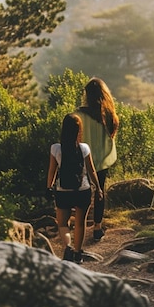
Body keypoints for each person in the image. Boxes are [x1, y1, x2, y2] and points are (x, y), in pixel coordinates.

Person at [47, 113, 103, 263]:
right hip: (83, 190)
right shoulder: (84, 148)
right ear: (79, 130)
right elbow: (91, 170)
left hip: (63, 191)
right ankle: (78, 253)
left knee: (63, 224)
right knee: (80, 223)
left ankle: (68, 247)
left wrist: (49, 187)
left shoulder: (56, 148)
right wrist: (98, 188)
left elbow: (52, 171)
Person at [77, 77, 119, 242]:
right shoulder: (109, 116)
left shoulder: (78, 114)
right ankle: (97, 228)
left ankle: (81, 225)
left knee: (84, 192)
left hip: (83, 159)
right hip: (101, 160)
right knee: (100, 191)